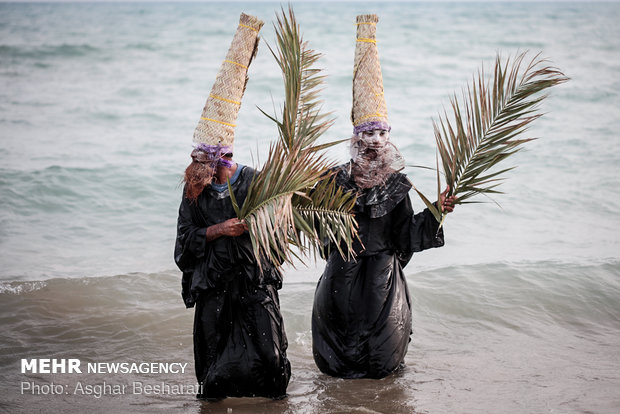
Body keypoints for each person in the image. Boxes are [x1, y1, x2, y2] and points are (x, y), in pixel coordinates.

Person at [311, 14, 456, 379]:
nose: (375, 140)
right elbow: (312, 222)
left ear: (388, 137)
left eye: (381, 133)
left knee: (380, 361)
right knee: (337, 358)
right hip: (340, 275)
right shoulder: (333, 180)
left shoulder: (398, 184)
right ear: (356, 138)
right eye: (368, 133)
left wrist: (438, 210)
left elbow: (405, 234)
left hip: (380, 279)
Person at [174, 13, 290, 400]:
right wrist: (220, 230)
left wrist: (259, 224)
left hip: (252, 283)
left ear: (225, 159)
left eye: (207, 167)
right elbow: (184, 240)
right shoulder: (194, 188)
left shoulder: (254, 180)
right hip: (214, 286)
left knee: (269, 360)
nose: (200, 175)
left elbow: (281, 230)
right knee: (214, 367)